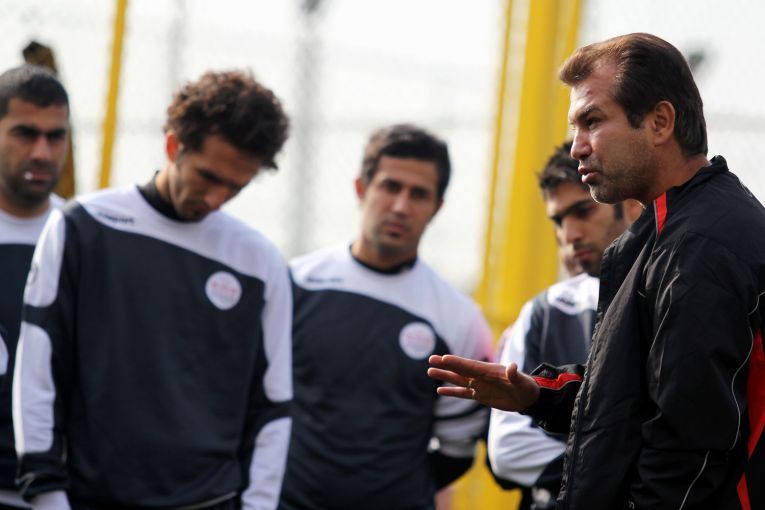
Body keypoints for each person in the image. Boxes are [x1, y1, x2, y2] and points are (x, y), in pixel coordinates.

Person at [429, 32, 765, 509]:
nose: (577, 148)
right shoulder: (671, 228)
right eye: (576, 127)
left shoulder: (700, 244)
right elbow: (639, 397)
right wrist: (538, 395)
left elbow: (688, 449)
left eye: (592, 121)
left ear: (660, 122)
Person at [13, 70, 293, 510]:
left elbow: (273, 406)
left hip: (211, 501)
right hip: (90, 498)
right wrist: (47, 494)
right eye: (207, 177)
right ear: (173, 144)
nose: (216, 198)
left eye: (235, 187)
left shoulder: (260, 262)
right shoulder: (84, 226)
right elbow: (38, 367)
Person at [279, 124, 494, 510]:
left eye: (418, 194)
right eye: (390, 187)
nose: (400, 206)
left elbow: (458, 448)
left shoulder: (460, 319)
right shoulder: (295, 284)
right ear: (361, 188)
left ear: (437, 207)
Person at [486, 142, 641, 510]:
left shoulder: (672, 291)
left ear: (631, 206)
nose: (569, 234)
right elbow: (507, 448)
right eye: (558, 221)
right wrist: (617, 474)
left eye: (582, 211)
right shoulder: (543, 312)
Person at [0, 65, 68, 510]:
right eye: (25, 134)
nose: (42, 152)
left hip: (55, 493)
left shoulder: (84, 239)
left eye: (56, 136)